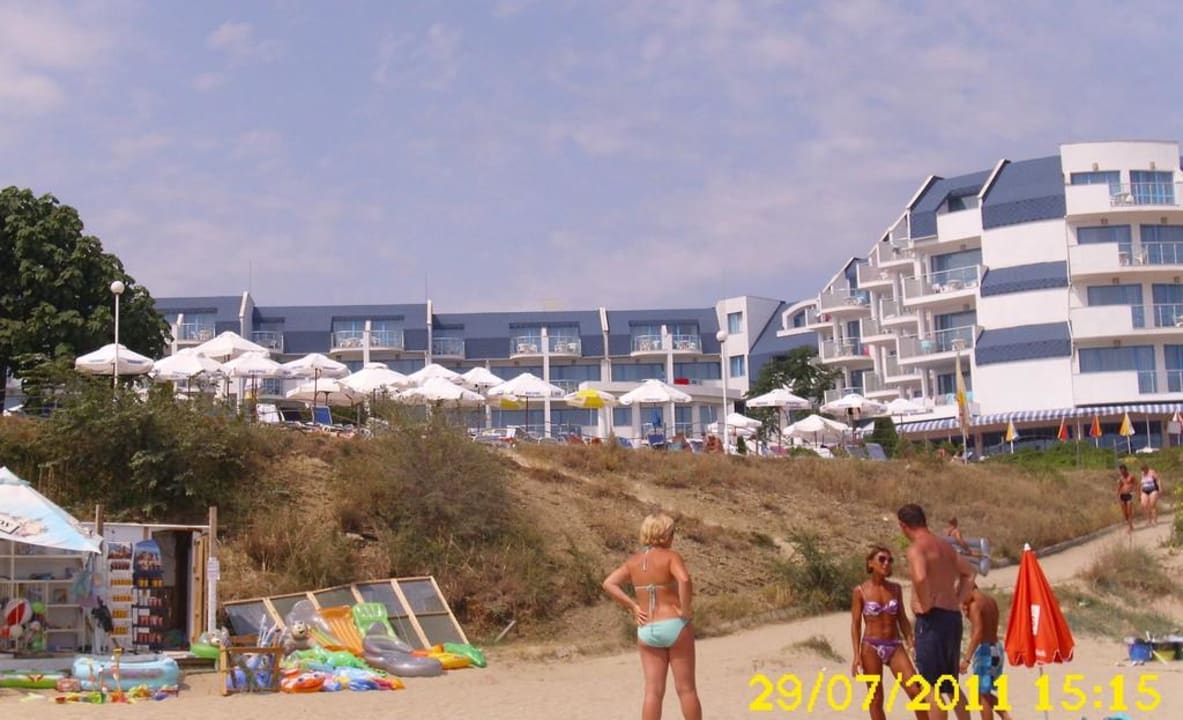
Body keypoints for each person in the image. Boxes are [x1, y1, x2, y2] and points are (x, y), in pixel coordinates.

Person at [603, 513, 701, 720]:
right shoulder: (671, 556)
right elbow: (684, 580)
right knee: (686, 689)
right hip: (674, 624)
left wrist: (633, 606)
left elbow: (609, 583)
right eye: (672, 532)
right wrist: (685, 609)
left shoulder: (634, 561)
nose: (673, 537)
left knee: (652, 692)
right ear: (664, 535)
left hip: (647, 628)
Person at [898, 503, 975, 720]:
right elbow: (969, 573)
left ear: (903, 526)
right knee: (950, 684)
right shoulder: (945, 547)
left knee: (932, 687)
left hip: (932, 621)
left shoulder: (917, 549)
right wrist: (957, 600)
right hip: (952, 618)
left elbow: (921, 577)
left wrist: (925, 603)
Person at [850, 545, 927, 720]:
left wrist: (910, 641)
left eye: (889, 560)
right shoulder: (860, 591)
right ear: (870, 564)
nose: (886, 563)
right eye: (882, 559)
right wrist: (856, 655)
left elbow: (902, 618)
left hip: (894, 644)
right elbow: (855, 625)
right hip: (871, 645)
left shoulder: (896, 589)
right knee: (876, 698)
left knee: (916, 691)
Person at [960, 584, 1012, 720]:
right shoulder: (990, 601)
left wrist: (966, 659)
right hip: (997, 649)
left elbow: (978, 633)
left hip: (985, 652)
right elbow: (989, 625)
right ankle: (1005, 715)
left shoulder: (975, 605)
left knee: (983, 696)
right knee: (983, 693)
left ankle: (1005, 715)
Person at [1116, 464, 1137, 534]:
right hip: (1122, 495)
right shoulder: (1121, 478)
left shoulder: (1131, 476)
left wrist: (1135, 492)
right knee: (1125, 513)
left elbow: (1136, 484)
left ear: (1125, 470)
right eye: (1120, 471)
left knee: (1129, 511)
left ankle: (1130, 527)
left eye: (1123, 471)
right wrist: (1117, 495)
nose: (1122, 472)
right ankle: (1130, 525)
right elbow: (1119, 487)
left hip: (1129, 495)